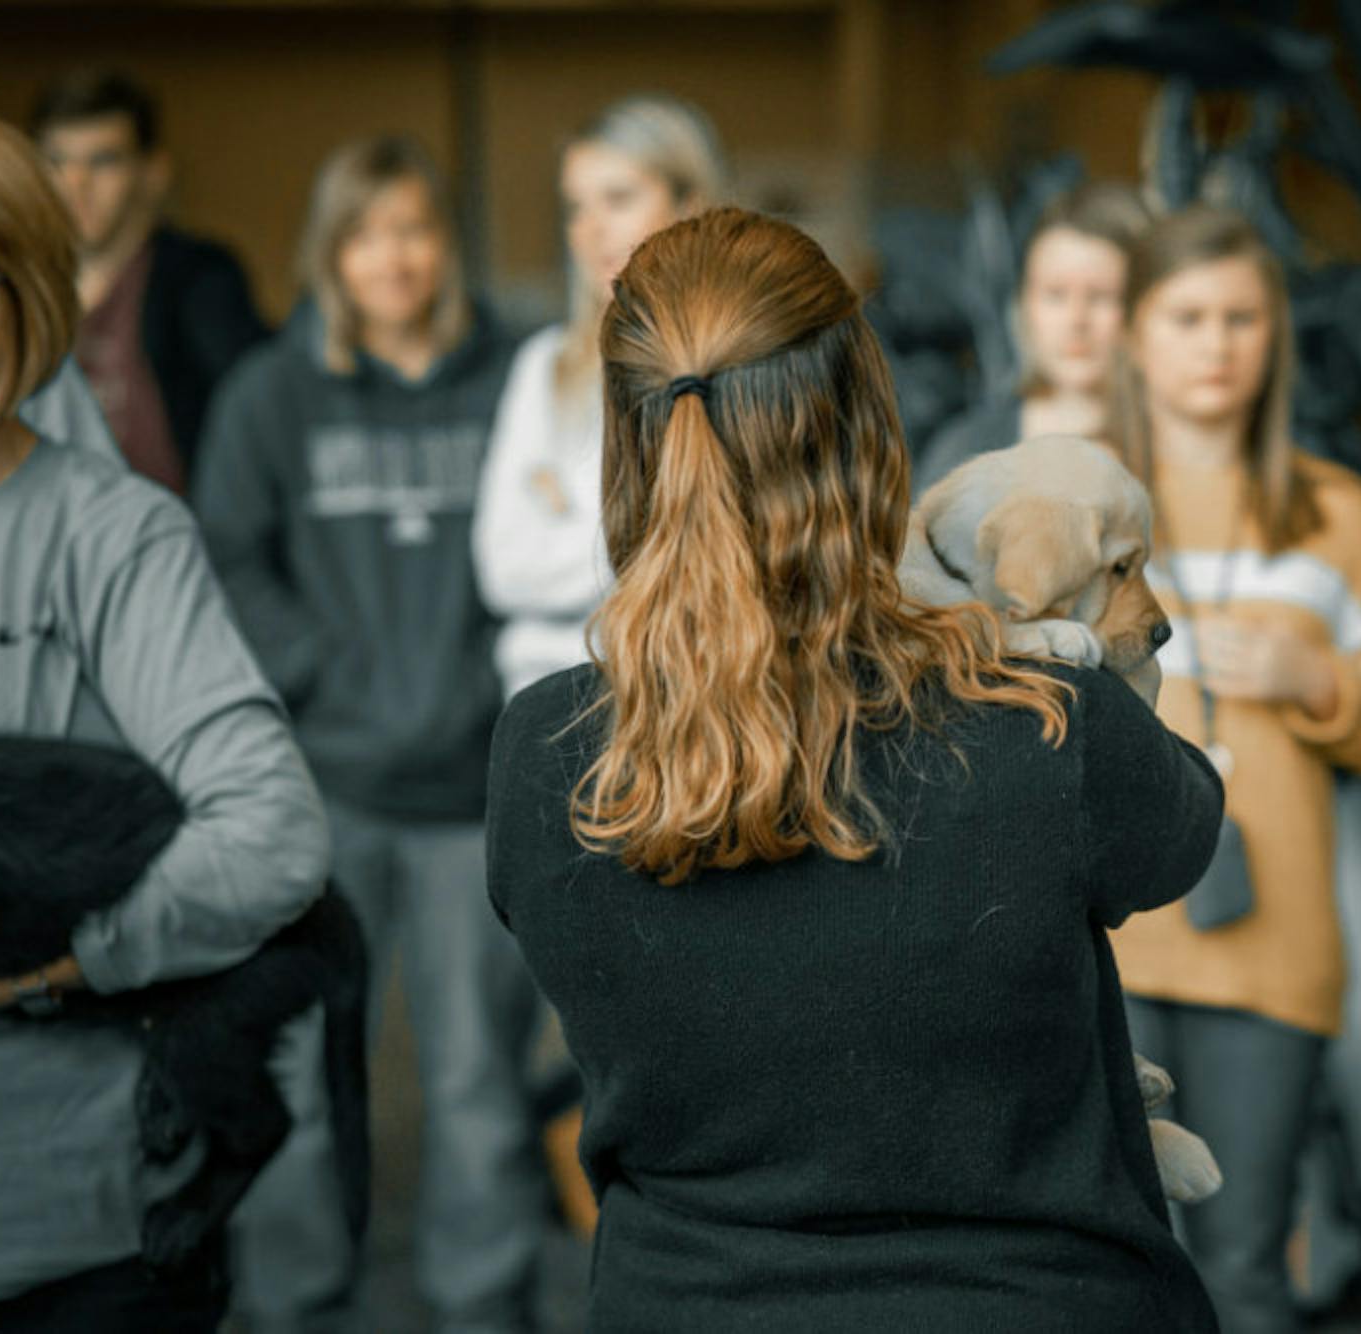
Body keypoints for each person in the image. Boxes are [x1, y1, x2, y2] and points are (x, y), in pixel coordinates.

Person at [485, 206, 1223, 1332]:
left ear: (627, 444)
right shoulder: (1047, 724)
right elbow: (1180, 825)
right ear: (871, 430)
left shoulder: (543, 758)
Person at [0, 110, 327, 1332]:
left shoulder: (110, 533)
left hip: (57, 1216)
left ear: (29, 300)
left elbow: (271, 836)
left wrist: (45, 972)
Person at [193, 134, 537, 1333]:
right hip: (321, 791)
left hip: (471, 795)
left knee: (475, 1078)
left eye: (413, 228)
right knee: (299, 1072)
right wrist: (319, 672)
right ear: (331, 255)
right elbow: (227, 553)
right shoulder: (270, 395)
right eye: (365, 232)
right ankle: (290, 1304)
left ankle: (480, 1302)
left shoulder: (517, 383)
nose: (392, 256)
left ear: (446, 243)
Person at [1103, 205, 1361, 1332]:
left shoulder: (1336, 513)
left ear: (1274, 335)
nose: (1216, 342)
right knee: (1106, 1269)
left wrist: (1318, 680)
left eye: (1242, 317)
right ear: (1134, 334)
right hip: (1106, 936)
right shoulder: (1089, 502)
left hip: (1272, 944)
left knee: (1242, 1269)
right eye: (1187, 316)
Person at [473, 93, 724, 698]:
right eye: (575, 207)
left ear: (690, 202)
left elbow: (723, 564)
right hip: (545, 704)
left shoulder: (738, 361)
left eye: (619, 198)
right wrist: (649, 531)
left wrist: (568, 510)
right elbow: (503, 567)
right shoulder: (543, 366)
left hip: (694, 698)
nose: (591, 229)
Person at [30, 68, 268, 492]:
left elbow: (257, 414)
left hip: (176, 539)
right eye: (57, 161)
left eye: (103, 161)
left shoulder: (200, 280)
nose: (76, 183)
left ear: (152, 172)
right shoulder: (13, 286)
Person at [913, 180, 1150, 494]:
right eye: (1055, 295)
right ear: (1024, 306)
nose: (1076, 319)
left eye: (1101, 296)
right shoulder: (966, 450)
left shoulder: (1183, 448)